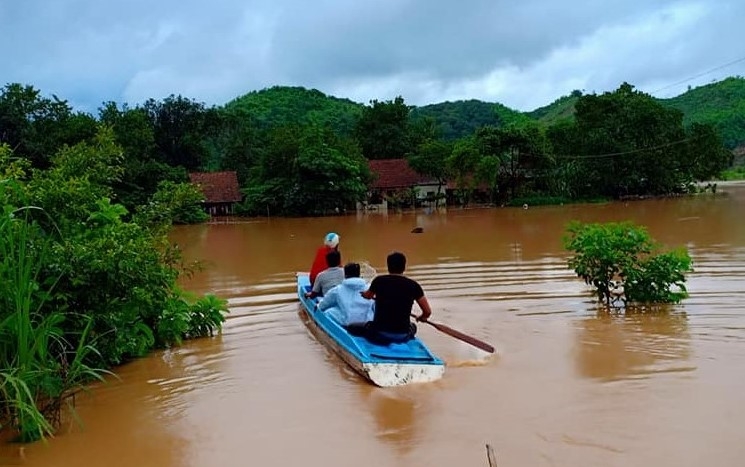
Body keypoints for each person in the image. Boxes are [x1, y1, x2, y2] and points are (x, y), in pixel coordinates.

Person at [357, 251, 432, 344]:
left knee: (354, 326)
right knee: (413, 326)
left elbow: (368, 296)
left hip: (379, 333)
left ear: (388, 266)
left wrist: (364, 294)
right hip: (403, 335)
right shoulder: (414, 285)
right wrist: (422, 317)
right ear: (404, 267)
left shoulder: (379, 281)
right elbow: (427, 312)